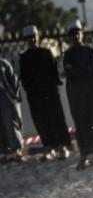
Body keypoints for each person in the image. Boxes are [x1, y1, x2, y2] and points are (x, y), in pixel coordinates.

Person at [19, 25, 72, 160]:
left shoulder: (46, 53)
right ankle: (49, 148)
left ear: (38, 37)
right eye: (28, 38)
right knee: (41, 121)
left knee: (57, 119)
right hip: (35, 95)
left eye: (33, 37)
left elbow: (54, 72)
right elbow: (24, 79)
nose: (32, 40)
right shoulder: (24, 58)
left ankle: (62, 147)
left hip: (50, 93)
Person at [62, 20, 93, 169]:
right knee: (81, 124)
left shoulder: (90, 51)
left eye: (78, 33)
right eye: (73, 34)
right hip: (76, 95)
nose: (76, 36)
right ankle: (84, 156)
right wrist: (84, 70)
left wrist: (79, 71)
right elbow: (69, 72)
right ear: (69, 38)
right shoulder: (67, 55)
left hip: (91, 92)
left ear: (82, 34)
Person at [0, 57, 24, 163]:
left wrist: (14, 97)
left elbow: (14, 81)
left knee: (11, 124)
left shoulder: (4, 63)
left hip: (6, 99)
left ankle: (17, 151)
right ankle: (4, 153)